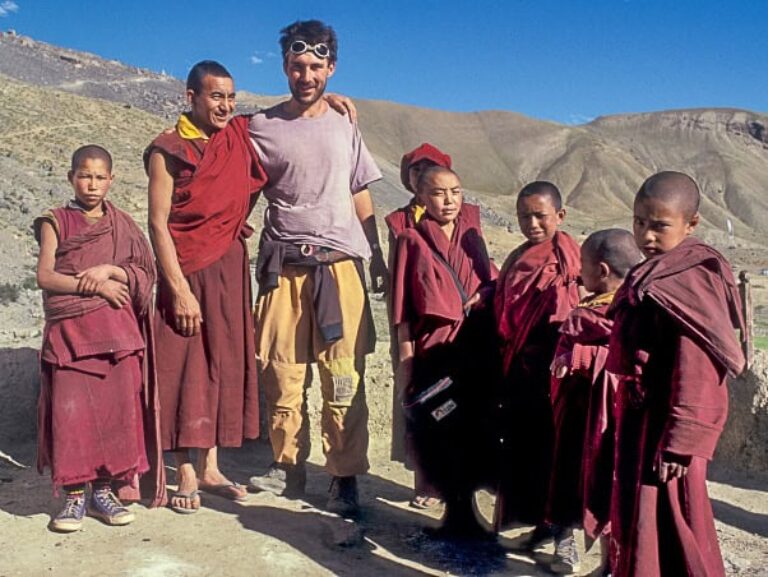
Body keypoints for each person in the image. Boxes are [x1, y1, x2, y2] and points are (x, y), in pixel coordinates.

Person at [247, 20, 387, 518]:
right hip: (283, 269)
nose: (305, 75)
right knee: (281, 372)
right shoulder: (258, 127)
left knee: (343, 375)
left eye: (315, 66)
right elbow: (237, 183)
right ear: (284, 66)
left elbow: (359, 191)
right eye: (297, 65)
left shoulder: (346, 122)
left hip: (340, 266)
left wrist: (377, 254)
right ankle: (288, 468)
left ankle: (344, 477)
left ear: (331, 67)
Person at [607, 171, 745, 577]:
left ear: (691, 224)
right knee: (645, 519)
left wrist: (681, 442)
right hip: (645, 420)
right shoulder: (657, 268)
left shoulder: (690, 279)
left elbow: (699, 367)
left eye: (659, 226)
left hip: (670, 432)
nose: (646, 235)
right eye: (639, 222)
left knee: (674, 522)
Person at [146, 60, 268, 513]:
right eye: (216, 97)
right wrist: (177, 288)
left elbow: (253, 182)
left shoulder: (235, 137)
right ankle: (185, 470)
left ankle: (213, 466)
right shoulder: (168, 148)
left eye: (231, 98)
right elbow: (157, 224)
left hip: (228, 262)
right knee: (187, 364)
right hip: (187, 264)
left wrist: (233, 220)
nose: (226, 106)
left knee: (224, 360)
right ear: (191, 97)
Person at [35, 145, 164, 532]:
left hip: (118, 338)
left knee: (115, 418)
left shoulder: (123, 224)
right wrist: (97, 288)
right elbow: (46, 276)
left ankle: (103, 493)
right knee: (71, 415)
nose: (91, 184)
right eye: (84, 175)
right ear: (71, 177)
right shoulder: (54, 221)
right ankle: (74, 496)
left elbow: (145, 271)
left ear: (112, 179)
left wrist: (112, 271)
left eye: (99, 177)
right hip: (71, 337)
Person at [391, 166, 500, 537]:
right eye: (438, 193)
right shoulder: (410, 240)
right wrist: (406, 365)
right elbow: (402, 312)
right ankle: (455, 513)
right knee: (442, 429)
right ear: (422, 198)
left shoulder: (473, 237)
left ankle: (466, 511)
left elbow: (490, 282)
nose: (449, 200)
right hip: (433, 353)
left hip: (472, 350)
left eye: (455, 191)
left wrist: (486, 293)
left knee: (473, 430)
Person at [546, 229, 643, 575]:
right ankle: (592, 557)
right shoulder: (591, 305)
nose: (577, 273)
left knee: (607, 486)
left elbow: (624, 358)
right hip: (578, 414)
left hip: (606, 420)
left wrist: (581, 357)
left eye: (582, 266)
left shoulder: (629, 311)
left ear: (601, 271)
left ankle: (609, 564)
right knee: (577, 482)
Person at [493, 181, 581, 546]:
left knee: (560, 453)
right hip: (520, 369)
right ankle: (541, 527)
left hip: (558, 372)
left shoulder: (569, 257)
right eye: (524, 216)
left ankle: (566, 536)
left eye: (540, 216)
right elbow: (504, 299)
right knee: (526, 451)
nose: (532, 223)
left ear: (559, 216)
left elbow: (578, 307)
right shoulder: (517, 257)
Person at [385, 142, 453, 511]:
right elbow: (400, 276)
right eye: (415, 170)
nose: (420, 175)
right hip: (411, 321)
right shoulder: (398, 222)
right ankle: (424, 481)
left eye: (430, 168)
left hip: (457, 332)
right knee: (420, 405)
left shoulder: (467, 217)